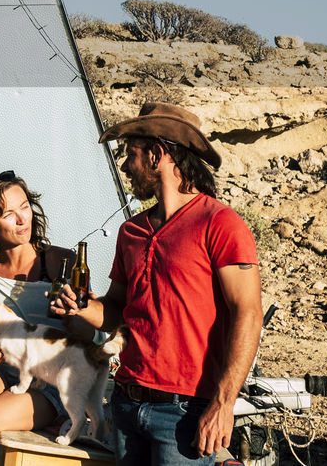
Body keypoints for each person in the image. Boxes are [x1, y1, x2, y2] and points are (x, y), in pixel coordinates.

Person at [51, 102, 261, 465]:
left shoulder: (221, 223)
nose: (124, 166)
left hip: (184, 412)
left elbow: (249, 312)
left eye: (130, 154)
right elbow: (118, 312)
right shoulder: (130, 231)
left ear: (157, 154)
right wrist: (83, 307)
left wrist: (224, 404)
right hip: (126, 404)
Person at [0, 171, 77, 465]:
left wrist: (76, 313)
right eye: (9, 214)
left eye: (25, 207)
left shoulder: (61, 263)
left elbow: (94, 333)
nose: (23, 219)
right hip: (4, 369)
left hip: (51, 378)